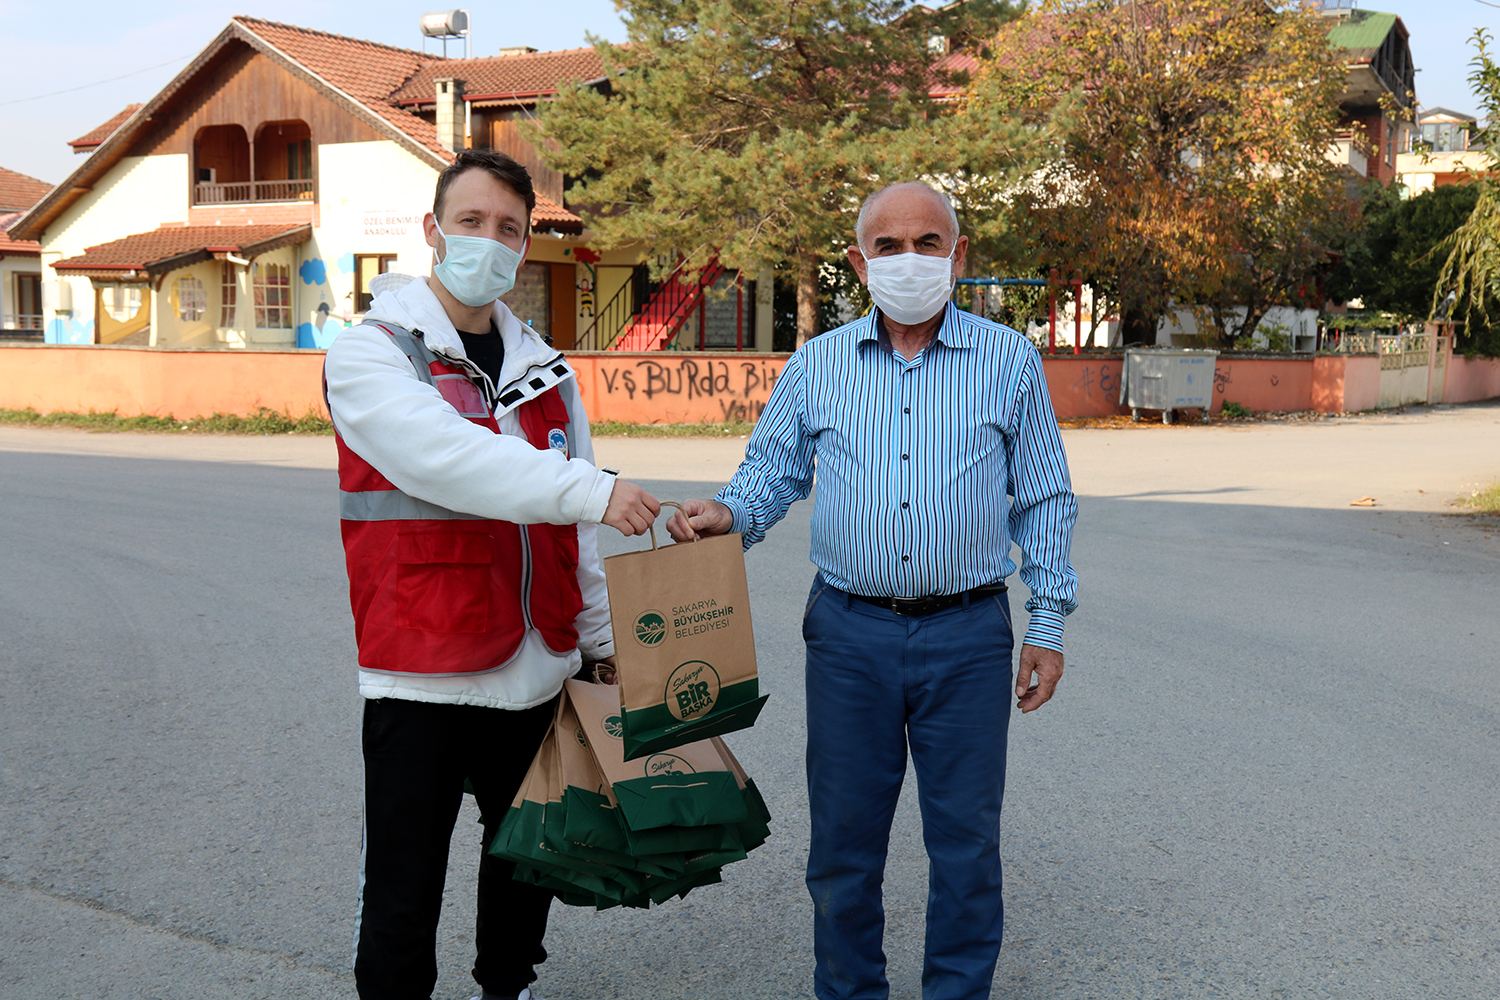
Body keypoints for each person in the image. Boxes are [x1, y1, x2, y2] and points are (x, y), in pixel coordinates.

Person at [667, 182, 1078, 1000]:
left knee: (965, 846)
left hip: (968, 638)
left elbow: (1044, 496)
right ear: (859, 263)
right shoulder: (817, 365)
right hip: (850, 638)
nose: (909, 260)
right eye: (887, 247)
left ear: (959, 255)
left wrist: (1049, 623)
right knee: (844, 848)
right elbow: (769, 476)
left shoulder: (1008, 361)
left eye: (929, 242)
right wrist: (726, 516)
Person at [324, 148, 660, 1000]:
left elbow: (572, 541)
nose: (490, 241)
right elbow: (448, 458)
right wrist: (594, 490)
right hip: (422, 670)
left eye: (509, 229)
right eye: (471, 222)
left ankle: (504, 990)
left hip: (536, 669)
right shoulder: (374, 355)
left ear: (524, 247)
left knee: (526, 871)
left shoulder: (547, 369)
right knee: (403, 892)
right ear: (433, 231)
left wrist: (596, 642)